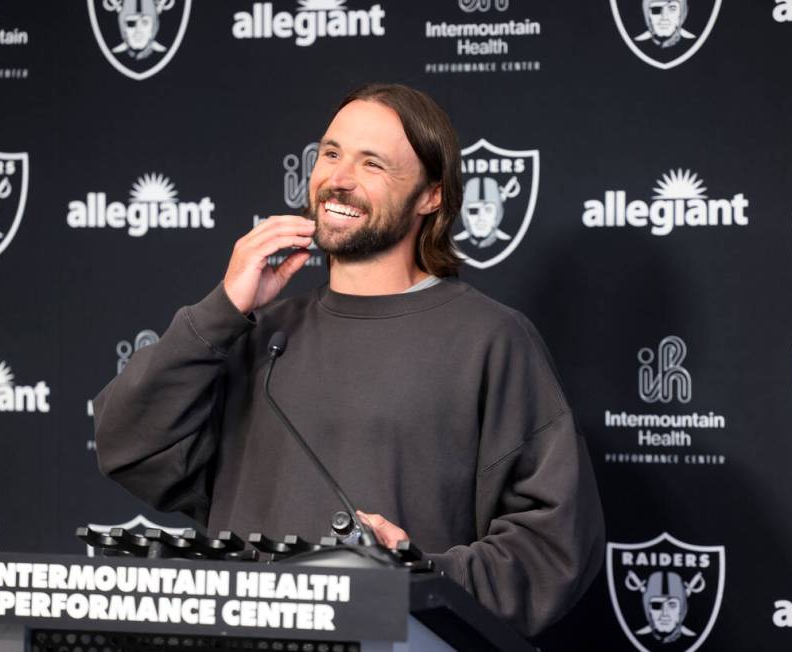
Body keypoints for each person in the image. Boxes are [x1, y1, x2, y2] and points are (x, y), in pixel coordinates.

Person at [93, 83, 604, 638]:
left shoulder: (492, 340)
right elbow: (125, 444)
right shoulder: (251, 330)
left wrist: (420, 574)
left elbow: (554, 547)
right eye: (331, 153)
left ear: (431, 196)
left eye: (372, 164)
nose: (338, 178)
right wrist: (223, 308)